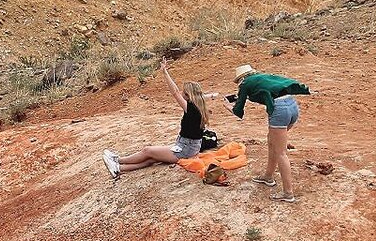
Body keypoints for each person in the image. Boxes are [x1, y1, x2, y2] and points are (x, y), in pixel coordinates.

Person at [102, 59, 217, 179]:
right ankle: (118, 169)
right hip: (189, 147)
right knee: (151, 159)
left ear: (188, 95)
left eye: (185, 92)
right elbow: (201, 96)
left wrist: (165, 72)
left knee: (147, 151)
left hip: (185, 150)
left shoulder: (191, 108)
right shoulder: (200, 105)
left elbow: (175, 92)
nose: (182, 93)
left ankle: (118, 160)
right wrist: (211, 95)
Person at [229, 64, 310, 203]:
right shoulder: (262, 78)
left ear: (241, 79)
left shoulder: (246, 84)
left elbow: (238, 111)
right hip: (292, 106)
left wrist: (227, 106)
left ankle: (288, 193)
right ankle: (268, 176)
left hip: (280, 110)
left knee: (281, 153)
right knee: (271, 141)